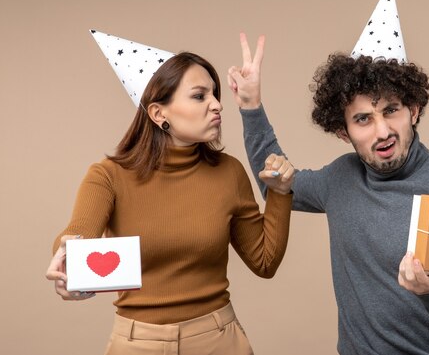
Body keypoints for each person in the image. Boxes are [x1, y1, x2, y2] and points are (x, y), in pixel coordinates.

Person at [227, 0, 429, 354]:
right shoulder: (340, 180)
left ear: (413, 110)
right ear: (343, 132)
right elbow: (275, 182)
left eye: (391, 111)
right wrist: (251, 106)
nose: (382, 130)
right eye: (364, 119)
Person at [46, 33, 295, 355]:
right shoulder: (108, 176)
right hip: (136, 344)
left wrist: (279, 193)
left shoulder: (229, 172)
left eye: (215, 94)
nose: (217, 104)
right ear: (158, 114)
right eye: (199, 96)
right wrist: (66, 258)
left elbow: (265, 262)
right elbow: (78, 235)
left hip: (218, 340)